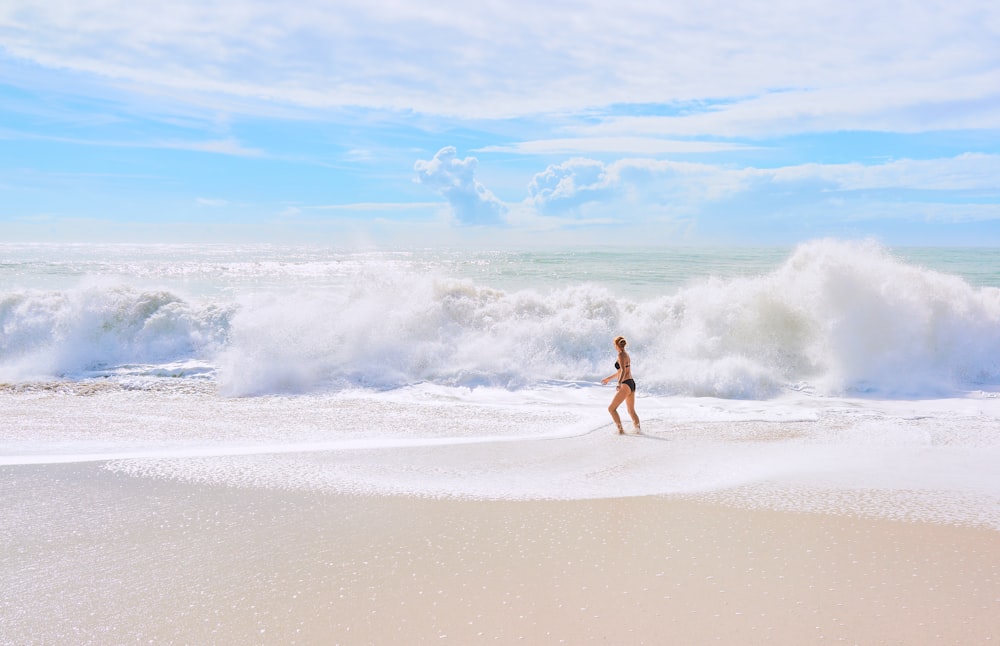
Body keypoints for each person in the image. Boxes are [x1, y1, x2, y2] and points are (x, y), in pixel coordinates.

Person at [601, 335, 640, 434]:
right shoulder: (626, 354)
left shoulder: (620, 355)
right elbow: (621, 371)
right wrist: (608, 379)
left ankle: (621, 431)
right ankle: (638, 431)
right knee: (631, 411)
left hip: (626, 384)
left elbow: (622, 371)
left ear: (616, 345)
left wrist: (619, 383)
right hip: (631, 383)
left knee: (611, 409)